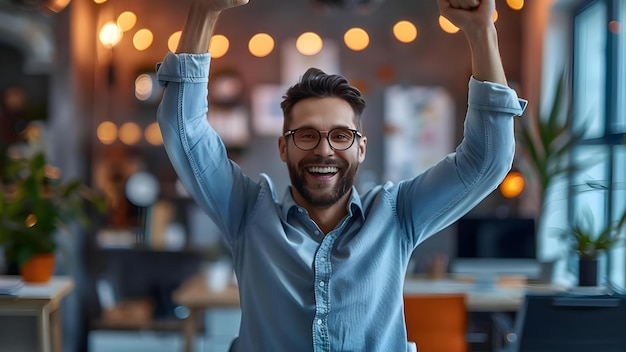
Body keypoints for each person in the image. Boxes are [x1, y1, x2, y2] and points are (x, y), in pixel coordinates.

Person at [156, 0, 527, 350]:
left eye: (340, 135)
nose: (323, 149)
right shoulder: (247, 212)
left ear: (360, 148)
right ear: (283, 147)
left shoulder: (396, 215)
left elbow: (487, 160)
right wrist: (204, 11)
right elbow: (182, 127)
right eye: (306, 135)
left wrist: (482, 31)